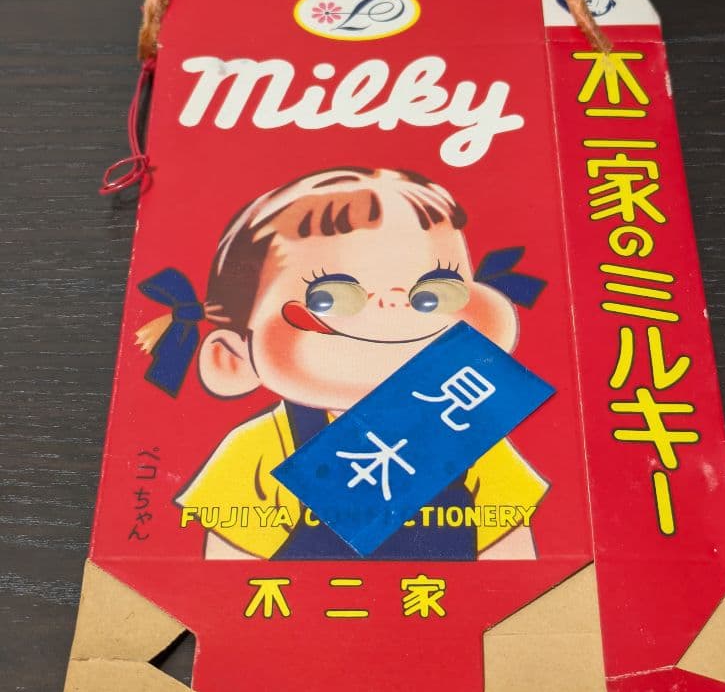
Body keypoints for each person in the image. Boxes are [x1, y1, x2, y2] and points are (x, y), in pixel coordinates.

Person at [137, 167, 549, 560]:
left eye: (433, 292)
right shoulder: (261, 447)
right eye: (329, 297)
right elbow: (225, 579)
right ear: (232, 358)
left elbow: (514, 563)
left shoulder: (469, 434)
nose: (393, 306)